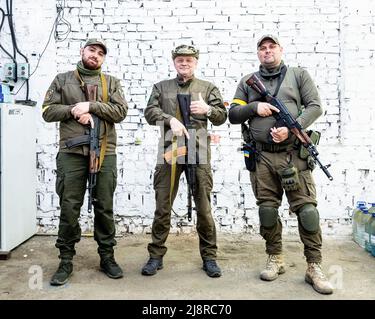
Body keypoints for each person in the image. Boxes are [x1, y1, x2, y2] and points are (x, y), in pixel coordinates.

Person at [228, 34, 333, 294]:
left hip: (294, 155)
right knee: (267, 210)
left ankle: (314, 266)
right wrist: (255, 107)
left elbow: (315, 107)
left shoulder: (298, 75)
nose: (267, 51)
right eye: (262, 48)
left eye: (271, 46)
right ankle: (276, 257)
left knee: (307, 211)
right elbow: (232, 114)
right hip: (262, 156)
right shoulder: (247, 82)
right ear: (258, 53)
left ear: (280, 50)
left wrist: (289, 127)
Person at [42, 38, 128, 285]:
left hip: (104, 151)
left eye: (101, 53)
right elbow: (47, 111)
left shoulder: (111, 82)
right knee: (69, 206)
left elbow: (120, 112)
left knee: (104, 206)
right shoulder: (62, 79)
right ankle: (65, 259)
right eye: (92, 50)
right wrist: (73, 110)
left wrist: (91, 106)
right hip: (71, 153)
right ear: (82, 51)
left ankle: (107, 257)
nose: (96, 55)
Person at [142, 44, 227, 277]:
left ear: (196, 62)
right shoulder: (161, 87)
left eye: (189, 60)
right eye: (180, 59)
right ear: (174, 62)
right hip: (170, 148)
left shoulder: (208, 88)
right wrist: (169, 119)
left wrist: (209, 109)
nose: (184, 63)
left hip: (198, 148)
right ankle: (156, 256)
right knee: (163, 205)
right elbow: (150, 112)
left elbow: (221, 117)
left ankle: (209, 257)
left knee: (204, 207)